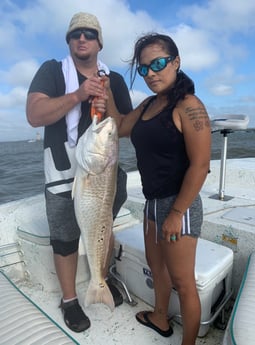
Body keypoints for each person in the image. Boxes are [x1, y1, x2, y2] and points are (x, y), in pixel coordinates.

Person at [26, 12, 132, 333]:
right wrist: (77, 95)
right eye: (75, 34)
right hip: (63, 172)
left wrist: (107, 97)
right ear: (69, 42)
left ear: (100, 42)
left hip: (102, 170)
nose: (82, 38)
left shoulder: (113, 79)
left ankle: (102, 278)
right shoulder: (52, 71)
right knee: (64, 239)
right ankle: (70, 299)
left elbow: (123, 125)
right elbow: (34, 114)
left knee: (103, 228)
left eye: (89, 33)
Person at [106, 33, 211, 345]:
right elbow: (121, 127)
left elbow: (200, 165)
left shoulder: (188, 105)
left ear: (176, 62)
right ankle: (160, 318)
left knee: (182, 281)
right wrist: (106, 92)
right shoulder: (150, 104)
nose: (151, 73)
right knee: (156, 268)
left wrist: (177, 213)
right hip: (152, 203)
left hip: (180, 205)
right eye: (144, 69)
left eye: (159, 64)